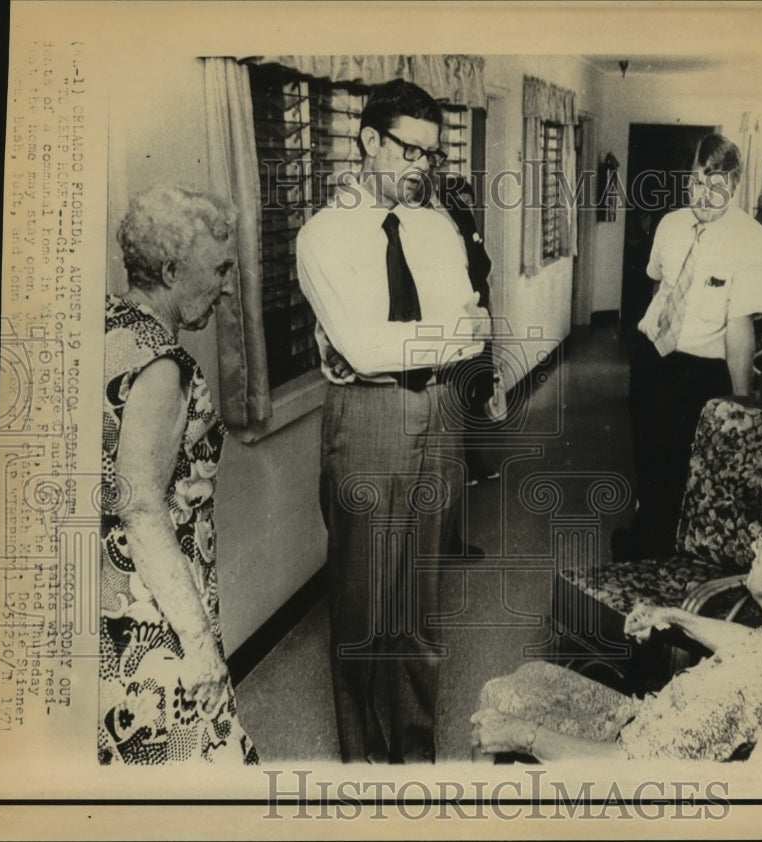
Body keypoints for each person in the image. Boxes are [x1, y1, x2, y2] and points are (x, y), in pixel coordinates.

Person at [296, 79, 489, 763]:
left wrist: (404, 343)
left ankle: (415, 751)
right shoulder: (323, 234)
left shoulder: (437, 228)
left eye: (432, 156)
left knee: (422, 600)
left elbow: (477, 331)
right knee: (363, 604)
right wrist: (424, 338)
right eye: (410, 151)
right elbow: (365, 349)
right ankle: (363, 755)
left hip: (440, 409)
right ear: (370, 140)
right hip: (368, 418)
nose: (423, 168)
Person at [471, 474, 762, 762]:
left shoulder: (738, 688)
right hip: (649, 723)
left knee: (502, 699)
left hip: (624, 758)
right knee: (533, 676)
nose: (754, 546)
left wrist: (524, 737)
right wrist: (676, 617)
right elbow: (750, 644)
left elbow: (626, 775)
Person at [99, 184, 258, 764]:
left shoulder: (109, 322)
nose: (225, 285)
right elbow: (141, 510)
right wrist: (199, 645)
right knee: (197, 758)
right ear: (170, 269)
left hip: (115, 588)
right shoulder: (162, 367)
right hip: (154, 602)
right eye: (218, 269)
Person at [614, 134, 762, 560]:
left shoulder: (753, 241)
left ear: (734, 185)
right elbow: (659, 283)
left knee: (687, 474)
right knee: (648, 460)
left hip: (700, 374)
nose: (702, 196)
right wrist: (649, 341)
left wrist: (743, 407)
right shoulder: (670, 225)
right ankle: (645, 543)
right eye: (695, 183)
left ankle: (668, 559)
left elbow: (739, 328)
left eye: (715, 186)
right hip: (652, 358)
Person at [436, 173, 500, 489]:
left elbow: (482, 264)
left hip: (478, 319)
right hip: (459, 324)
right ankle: (461, 464)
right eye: (459, 199)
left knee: (477, 390)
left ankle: (474, 461)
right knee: (460, 393)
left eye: (467, 199)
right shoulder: (441, 228)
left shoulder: (466, 223)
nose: (465, 205)